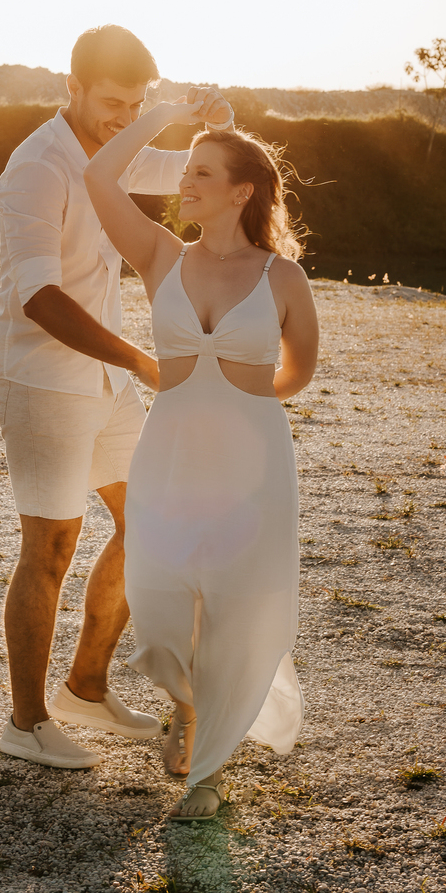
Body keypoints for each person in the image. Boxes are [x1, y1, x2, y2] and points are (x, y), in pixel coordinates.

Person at [0, 24, 232, 769]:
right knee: (51, 546)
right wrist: (142, 360)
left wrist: (215, 122)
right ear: (73, 87)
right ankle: (26, 725)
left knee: (149, 522)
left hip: (107, 377)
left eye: (136, 105)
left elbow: (179, 171)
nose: (121, 117)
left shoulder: (113, 156)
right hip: (42, 377)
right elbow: (38, 298)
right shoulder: (36, 167)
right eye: (110, 102)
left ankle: (85, 689)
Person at [83, 92, 319, 819]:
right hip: (172, 452)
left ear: (242, 191)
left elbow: (299, 371)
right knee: (158, 604)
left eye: (201, 173)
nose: (184, 183)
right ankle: (185, 706)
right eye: (186, 172)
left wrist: (243, 401)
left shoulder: (283, 277)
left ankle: (207, 774)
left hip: (253, 466)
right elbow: (99, 179)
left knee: (235, 609)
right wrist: (166, 115)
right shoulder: (160, 254)